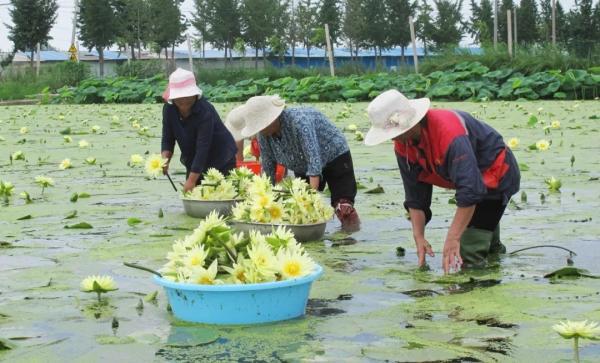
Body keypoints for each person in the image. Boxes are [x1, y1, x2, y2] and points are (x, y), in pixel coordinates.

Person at [365, 90, 520, 273]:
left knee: (468, 253)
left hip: (496, 175)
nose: (392, 138)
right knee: (485, 241)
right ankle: (494, 263)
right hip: (472, 183)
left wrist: (453, 238)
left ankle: (476, 290)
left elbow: (470, 191)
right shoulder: (403, 144)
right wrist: (419, 236)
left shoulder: (449, 134)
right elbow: (415, 194)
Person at [240, 95, 360, 231]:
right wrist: (267, 203)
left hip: (334, 154)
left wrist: (309, 200)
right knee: (298, 207)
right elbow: (268, 171)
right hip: (300, 163)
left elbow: (313, 160)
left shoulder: (299, 122)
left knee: (342, 205)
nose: (260, 129)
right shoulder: (264, 135)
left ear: (272, 119)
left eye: (262, 125)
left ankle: (350, 238)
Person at [160, 68, 237, 193]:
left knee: (220, 196)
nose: (184, 105)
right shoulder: (169, 110)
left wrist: (191, 181)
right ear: (173, 99)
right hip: (193, 160)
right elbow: (167, 138)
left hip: (220, 158)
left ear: (195, 95)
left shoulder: (205, 111)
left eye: (188, 100)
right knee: (194, 194)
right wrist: (164, 160)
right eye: (179, 101)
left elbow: (203, 148)